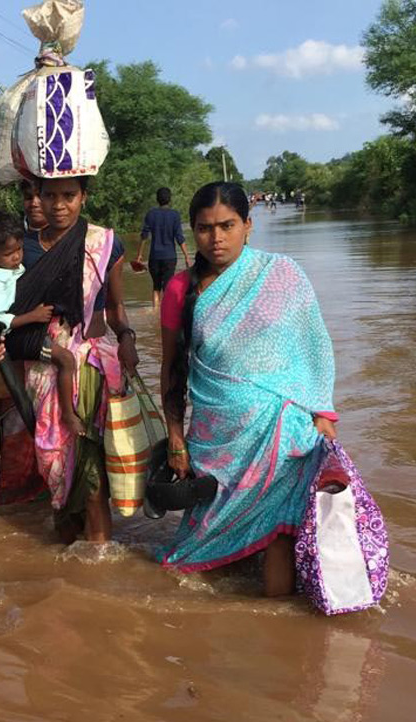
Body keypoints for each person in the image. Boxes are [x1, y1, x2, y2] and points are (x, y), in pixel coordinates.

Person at [158, 182, 339, 597]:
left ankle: (280, 629)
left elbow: (312, 347)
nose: (216, 238)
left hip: (281, 430)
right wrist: (175, 437)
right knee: (204, 546)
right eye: (205, 228)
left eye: (227, 225)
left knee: (278, 532)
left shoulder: (283, 275)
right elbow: (173, 370)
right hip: (216, 436)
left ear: (248, 226)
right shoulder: (179, 290)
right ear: (192, 230)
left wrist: (322, 414)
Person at [16, 176, 140, 543]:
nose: (59, 205)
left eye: (69, 196)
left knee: (92, 471)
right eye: (50, 195)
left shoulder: (103, 244)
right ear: (38, 197)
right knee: (53, 464)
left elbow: (116, 308)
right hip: (41, 368)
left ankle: (98, 558)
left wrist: (128, 339)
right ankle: (69, 557)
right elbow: (2, 315)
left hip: (91, 368)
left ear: (84, 197)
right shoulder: (21, 250)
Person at [0, 209, 84, 435]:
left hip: (22, 332)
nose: (17, 257)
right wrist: (31, 317)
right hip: (17, 338)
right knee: (66, 359)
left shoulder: (3, 268)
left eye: (19, 249)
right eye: (9, 253)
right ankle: (68, 414)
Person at [134, 187, 190, 307]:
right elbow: (179, 237)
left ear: (157, 199)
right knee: (168, 287)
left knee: (156, 287)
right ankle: (164, 314)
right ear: (169, 199)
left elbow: (144, 236)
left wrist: (139, 255)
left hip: (154, 256)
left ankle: (155, 313)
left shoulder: (151, 214)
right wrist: (187, 256)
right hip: (170, 257)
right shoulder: (174, 215)